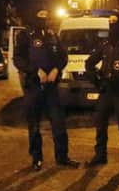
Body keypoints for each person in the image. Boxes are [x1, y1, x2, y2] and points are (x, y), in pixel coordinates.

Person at [13, 9, 79, 171]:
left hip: (51, 88)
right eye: (40, 15)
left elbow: (63, 56)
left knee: (59, 123)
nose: (44, 19)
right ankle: (37, 159)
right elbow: (18, 59)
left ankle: (62, 157)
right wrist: (35, 70)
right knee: (34, 126)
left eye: (46, 16)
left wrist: (56, 68)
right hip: (33, 87)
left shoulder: (52, 35)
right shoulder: (25, 36)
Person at [85, 12, 119, 174]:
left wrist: (116, 77)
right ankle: (100, 155)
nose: (111, 25)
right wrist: (97, 80)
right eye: (110, 22)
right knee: (100, 123)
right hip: (106, 91)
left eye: (114, 22)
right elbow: (89, 63)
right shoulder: (105, 45)